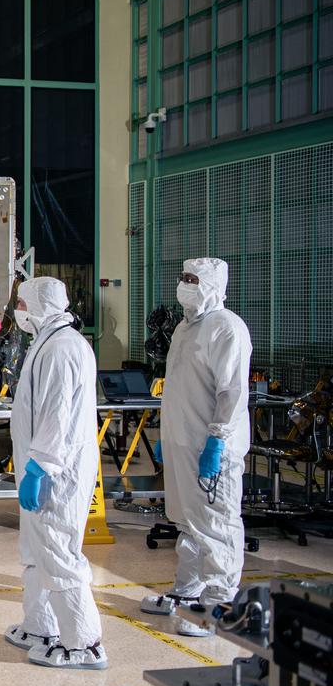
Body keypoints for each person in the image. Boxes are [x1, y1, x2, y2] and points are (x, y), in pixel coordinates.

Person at [142, 258, 252, 636]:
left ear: (213, 285)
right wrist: (168, 439)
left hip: (211, 448)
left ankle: (221, 605)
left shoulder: (227, 328)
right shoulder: (185, 329)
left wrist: (217, 441)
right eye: (183, 278)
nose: (185, 284)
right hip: (183, 443)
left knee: (217, 524)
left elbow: (233, 394)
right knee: (188, 522)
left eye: (194, 279)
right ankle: (188, 593)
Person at [4, 277, 107, 669]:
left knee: (59, 549)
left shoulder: (63, 347)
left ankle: (84, 642)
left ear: (41, 305)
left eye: (23, 304)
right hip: (41, 463)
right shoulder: (47, 341)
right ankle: (41, 625)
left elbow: (58, 415)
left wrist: (40, 466)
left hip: (57, 470)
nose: (19, 312)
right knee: (35, 549)